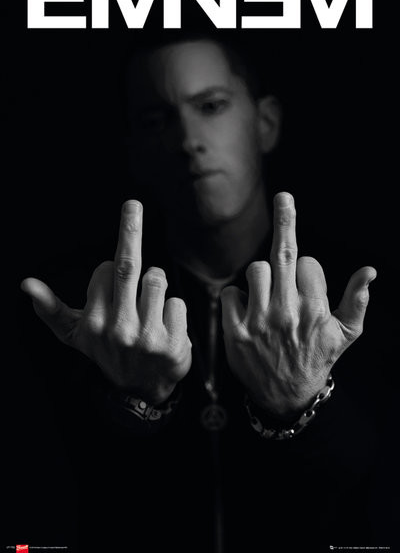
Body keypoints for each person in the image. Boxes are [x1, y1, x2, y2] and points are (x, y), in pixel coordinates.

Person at [19, 31, 389, 553]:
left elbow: (376, 493)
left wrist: (302, 399)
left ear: (265, 122)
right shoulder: (83, 302)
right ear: (134, 148)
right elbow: (56, 504)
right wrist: (133, 401)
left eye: (211, 106)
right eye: (157, 120)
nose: (187, 140)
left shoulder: (361, 290)